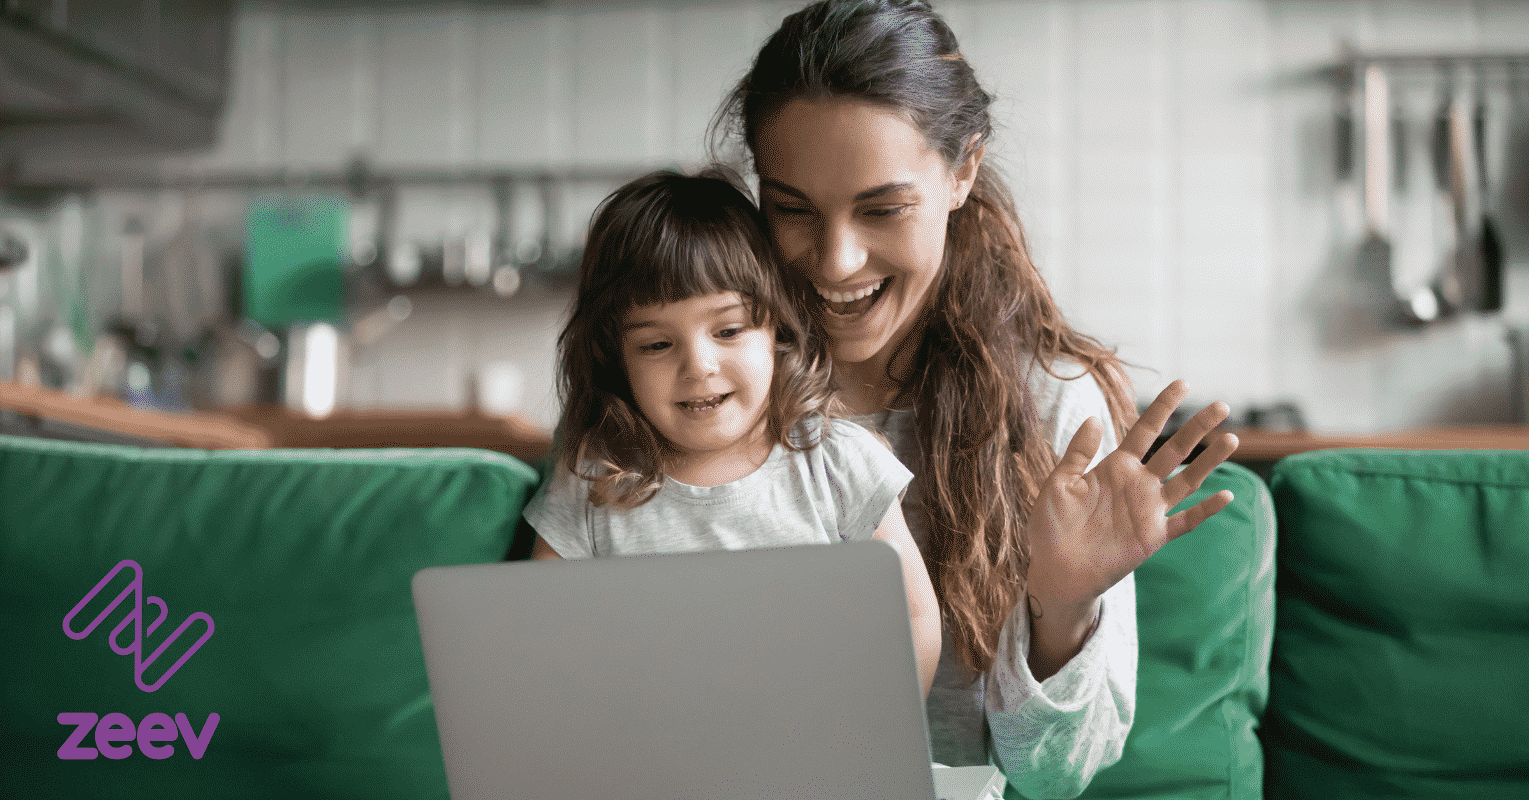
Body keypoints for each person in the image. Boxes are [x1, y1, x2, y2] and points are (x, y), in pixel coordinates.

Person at [711, 1, 1240, 796]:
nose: (835, 258)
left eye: (882, 209)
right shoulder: (708, 386)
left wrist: (1061, 608)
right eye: (791, 209)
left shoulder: (1054, 408)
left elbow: (1059, 777)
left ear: (961, 173)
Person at [522, 168, 942, 697]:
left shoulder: (837, 462)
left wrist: (885, 726)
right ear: (616, 362)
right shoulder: (593, 480)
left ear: (777, 331)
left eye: (728, 330)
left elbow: (912, 619)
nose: (698, 366)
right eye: (656, 345)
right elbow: (543, 637)